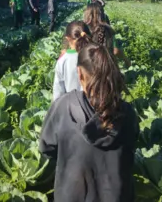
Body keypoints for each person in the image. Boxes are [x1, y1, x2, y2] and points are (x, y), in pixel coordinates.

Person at [39, 42, 138, 202]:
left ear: (79, 74)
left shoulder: (63, 106)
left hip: (72, 195)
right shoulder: (127, 113)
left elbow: (46, 148)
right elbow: (130, 148)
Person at [52, 21, 91, 101]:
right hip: (96, 107)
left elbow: (58, 94)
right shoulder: (97, 54)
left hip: (73, 108)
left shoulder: (63, 61)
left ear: (67, 39)